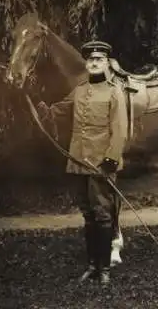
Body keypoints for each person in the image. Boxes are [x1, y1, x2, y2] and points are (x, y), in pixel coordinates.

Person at [37, 41, 128, 285]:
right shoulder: (79, 90)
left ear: (106, 62)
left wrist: (111, 159)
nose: (95, 63)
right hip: (78, 160)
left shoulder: (114, 91)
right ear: (86, 63)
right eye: (90, 60)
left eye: (99, 59)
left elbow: (120, 129)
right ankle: (91, 265)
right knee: (88, 215)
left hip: (101, 163)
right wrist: (37, 104)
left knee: (103, 215)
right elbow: (58, 111)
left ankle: (105, 268)